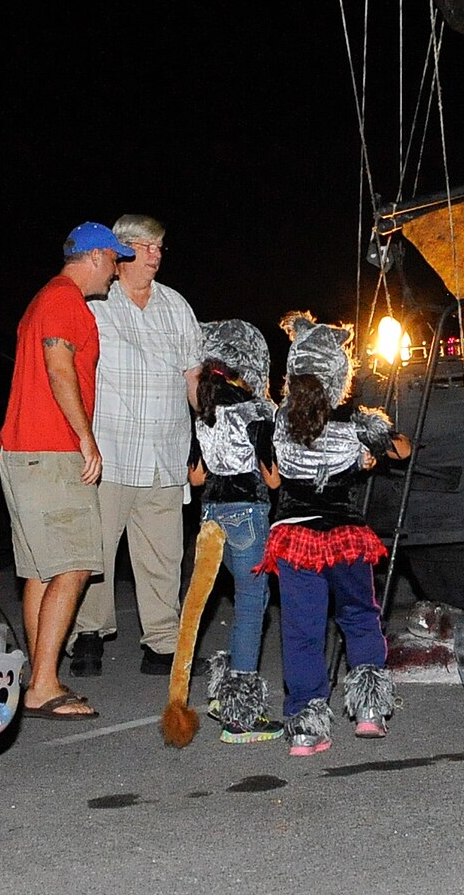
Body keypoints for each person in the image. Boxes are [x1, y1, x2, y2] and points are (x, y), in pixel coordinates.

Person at [255, 311, 410, 754]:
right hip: (344, 536)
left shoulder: (275, 425)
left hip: (295, 539)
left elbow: (273, 482)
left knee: (302, 631)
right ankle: (369, 712)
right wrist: (372, 442)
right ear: (338, 374)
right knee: (359, 616)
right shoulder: (354, 424)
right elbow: (402, 450)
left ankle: (305, 725)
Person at [0, 219, 134, 719]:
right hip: (51, 451)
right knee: (76, 563)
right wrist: (85, 436)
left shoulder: (46, 297)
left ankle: (39, 678)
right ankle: (43, 685)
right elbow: (59, 368)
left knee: (40, 571)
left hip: (27, 452)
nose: (117, 273)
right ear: (95, 256)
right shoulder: (62, 300)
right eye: (116, 261)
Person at [67, 213, 202, 678]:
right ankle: (88, 636)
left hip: (165, 452)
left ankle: (163, 644)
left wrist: (207, 437)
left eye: (160, 247)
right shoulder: (96, 306)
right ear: (121, 253)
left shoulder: (176, 306)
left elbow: (193, 377)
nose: (155, 255)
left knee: (164, 554)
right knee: (96, 551)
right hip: (110, 453)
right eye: (146, 246)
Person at [190, 318, 280, 741]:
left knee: (207, 604)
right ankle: (241, 713)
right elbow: (274, 478)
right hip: (246, 515)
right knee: (250, 606)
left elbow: (194, 477)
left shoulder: (203, 411)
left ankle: (219, 690)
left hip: (210, 515)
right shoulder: (256, 409)